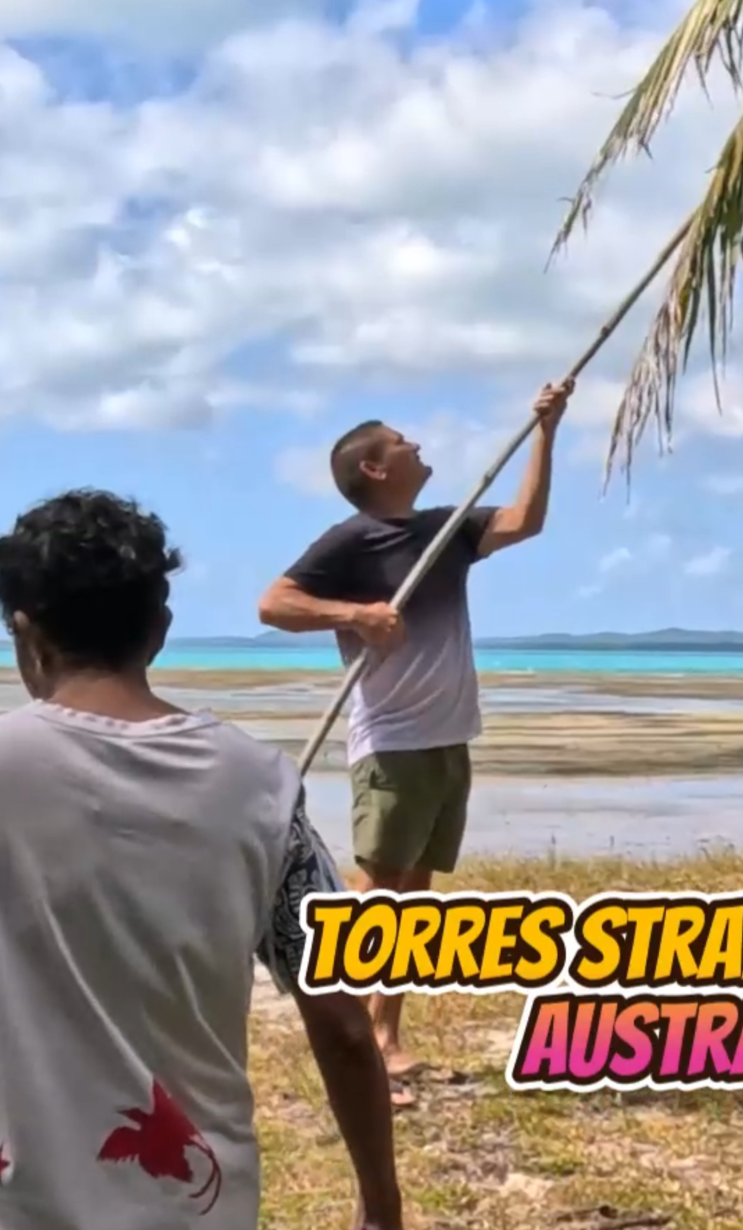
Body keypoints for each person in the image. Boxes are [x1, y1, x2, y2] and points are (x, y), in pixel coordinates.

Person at [0, 488, 403, 1230]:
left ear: (26, 633)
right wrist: (381, 1206)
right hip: (202, 1206)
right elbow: (344, 1021)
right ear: (159, 627)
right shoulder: (259, 782)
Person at [257, 381, 573, 1103]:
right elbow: (274, 603)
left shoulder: (447, 527)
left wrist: (546, 430)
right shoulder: (352, 541)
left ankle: (386, 1036)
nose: (418, 446)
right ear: (374, 469)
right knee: (377, 895)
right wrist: (357, 614)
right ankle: (342, 1026)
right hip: (391, 741)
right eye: (403, 441)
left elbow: (525, 521)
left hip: (448, 738)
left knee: (414, 898)